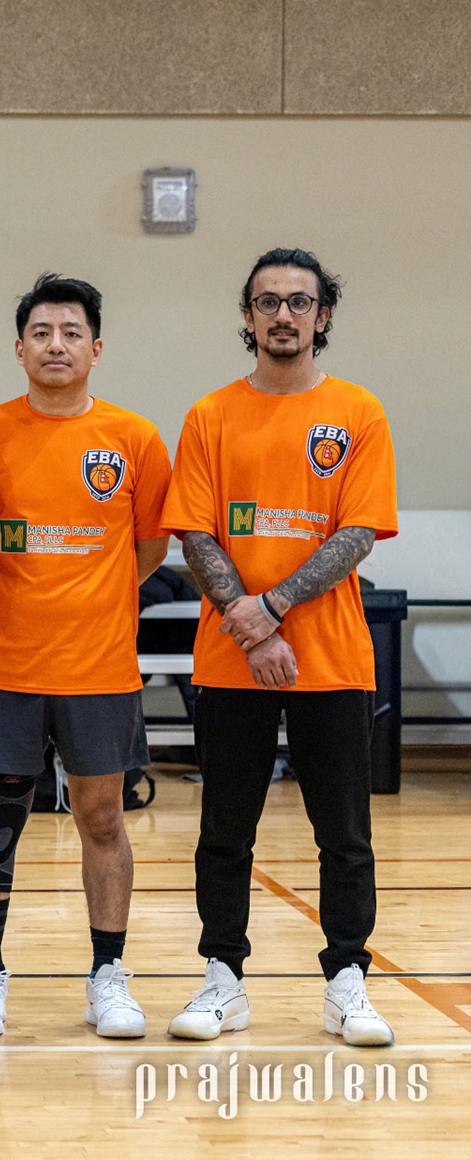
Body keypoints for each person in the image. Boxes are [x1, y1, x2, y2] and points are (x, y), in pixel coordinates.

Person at [161, 249, 398, 1047]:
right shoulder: (210, 414)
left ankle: (347, 980)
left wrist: (270, 609)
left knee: (345, 835)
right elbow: (195, 534)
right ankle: (222, 978)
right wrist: (250, 623)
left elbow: (357, 532)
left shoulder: (358, 411)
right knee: (225, 831)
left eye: (300, 302)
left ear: (322, 315)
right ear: (248, 315)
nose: (284, 314)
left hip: (331, 659)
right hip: (231, 660)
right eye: (269, 302)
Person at [0, 274, 171, 1040]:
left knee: (102, 816)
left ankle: (108, 973)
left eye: (71, 332)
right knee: (0, 811)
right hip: (6, 666)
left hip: (98, 669)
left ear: (96, 348)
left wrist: (90, 595)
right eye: (41, 332)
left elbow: (149, 549)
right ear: (19, 349)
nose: (56, 344)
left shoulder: (134, 437)